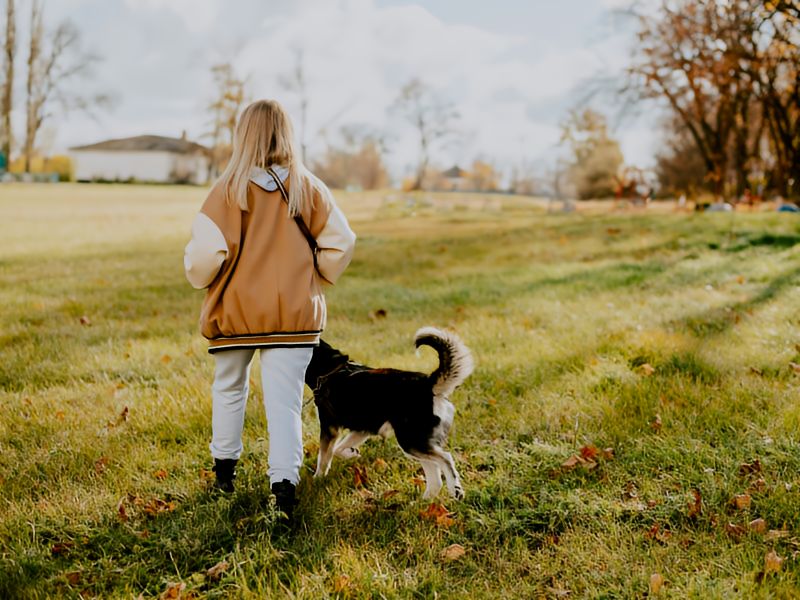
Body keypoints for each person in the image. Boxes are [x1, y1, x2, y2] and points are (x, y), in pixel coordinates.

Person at [183, 99, 356, 519]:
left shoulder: (227, 190)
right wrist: (314, 271)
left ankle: (225, 471)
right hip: (294, 316)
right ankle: (284, 486)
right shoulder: (307, 187)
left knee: (228, 389)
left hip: (237, 313)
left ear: (243, 136)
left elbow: (205, 256)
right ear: (287, 133)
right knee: (285, 401)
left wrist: (205, 275)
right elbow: (341, 242)